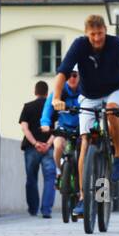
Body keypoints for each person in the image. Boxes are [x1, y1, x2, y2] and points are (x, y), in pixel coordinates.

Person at [51, 15, 119, 201]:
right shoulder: (79, 45)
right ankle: (84, 197)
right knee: (85, 141)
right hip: (89, 94)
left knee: (111, 110)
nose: (97, 38)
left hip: (115, 89)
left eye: (100, 33)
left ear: (105, 30)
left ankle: (117, 154)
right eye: (93, 34)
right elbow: (63, 71)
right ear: (86, 33)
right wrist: (57, 98)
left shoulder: (117, 44)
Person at [40, 69, 82, 216]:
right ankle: (59, 171)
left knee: (82, 155)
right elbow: (47, 109)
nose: (72, 78)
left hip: (80, 129)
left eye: (75, 75)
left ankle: (80, 184)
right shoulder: (60, 91)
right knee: (58, 145)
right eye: (69, 75)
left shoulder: (85, 91)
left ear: (79, 76)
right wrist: (45, 123)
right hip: (63, 128)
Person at [19, 81, 56, 218]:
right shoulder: (52, 107)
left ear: (35, 92)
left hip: (31, 148)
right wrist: (48, 143)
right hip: (49, 148)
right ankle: (46, 210)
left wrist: (35, 143)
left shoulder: (28, 107)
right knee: (50, 178)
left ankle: (33, 209)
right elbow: (57, 127)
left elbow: (24, 128)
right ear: (47, 93)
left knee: (31, 178)